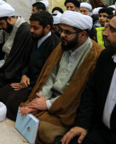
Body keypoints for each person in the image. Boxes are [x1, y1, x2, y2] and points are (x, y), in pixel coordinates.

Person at [19, 11, 103, 143]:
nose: (62, 35)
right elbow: (50, 75)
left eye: (67, 32)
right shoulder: (63, 45)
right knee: (24, 111)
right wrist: (40, 100)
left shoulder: (96, 55)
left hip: (69, 107)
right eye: (62, 30)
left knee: (42, 127)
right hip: (51, 99)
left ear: (82, 34)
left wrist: (47, 104)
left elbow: (78, 92)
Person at [61, 15, 116, 144]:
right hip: (100, 131)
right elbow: (90, 92)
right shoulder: (106, 56)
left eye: (112, 29)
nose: (105, 33)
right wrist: (83, 124)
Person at [0, 11, 60, 121]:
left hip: (38, 85)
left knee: (13, 103)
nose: (31, 30)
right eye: (31, 27)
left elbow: (48, 74)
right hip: (26, 80)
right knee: (1, 93)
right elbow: (25, 61)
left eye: (35, 28)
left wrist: (26, 85)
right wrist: (24, 75)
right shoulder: (33, 38)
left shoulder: (54, 45)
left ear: (47, 27)